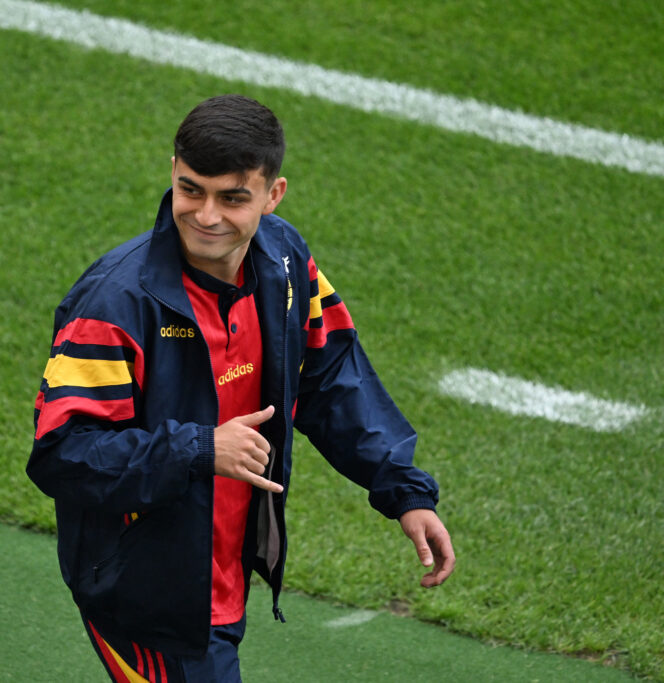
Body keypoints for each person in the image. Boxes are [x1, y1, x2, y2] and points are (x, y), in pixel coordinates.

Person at [27, 94, 455, 682]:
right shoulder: (115, 304)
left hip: (220, 576)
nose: (206, 216)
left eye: (232, 198)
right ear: (172, 173)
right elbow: (62, 455)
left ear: (273, 195)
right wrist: (201, 449)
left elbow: (330, 376)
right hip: (147, 595)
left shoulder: (285, 261)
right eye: (191, 189)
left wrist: (403, 490)